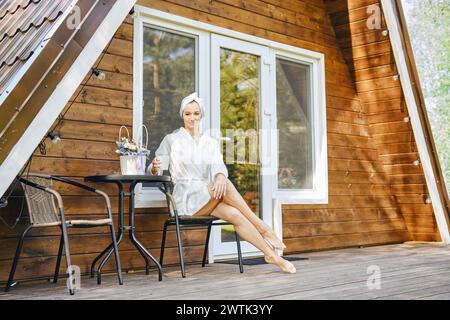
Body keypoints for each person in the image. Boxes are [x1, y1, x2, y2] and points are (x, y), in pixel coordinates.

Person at [148, 92, 296, 274]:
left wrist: (219, 176)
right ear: (182, 115)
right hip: (184, 199)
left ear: (201, 115)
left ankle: (271, 255)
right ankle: (263, 228)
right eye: (187, 114)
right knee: (224, 184)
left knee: (235, 214)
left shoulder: (209, 142)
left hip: (205, 195)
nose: (192, 118)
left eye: (196, 113)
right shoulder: (172, 139)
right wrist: (154, 168)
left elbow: (218, 164)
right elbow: (156, 166)